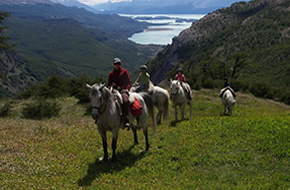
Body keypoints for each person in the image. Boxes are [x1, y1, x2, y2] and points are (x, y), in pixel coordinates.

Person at [108, 58, 131, 128]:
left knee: (125, 100)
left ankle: (126, 119)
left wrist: (126, 89)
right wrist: (110, 87)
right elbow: (109, 83)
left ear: (120, 64)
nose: (116, 65)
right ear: (113, 64)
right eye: (115, 64)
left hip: (122, 90)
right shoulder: (111, 74)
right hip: (114, 90)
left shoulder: (124, 72)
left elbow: (129, 82)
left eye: (118, 64)